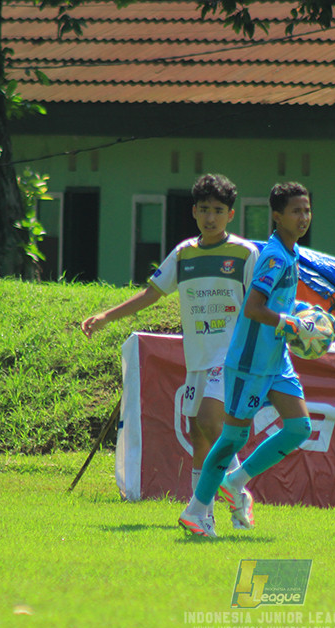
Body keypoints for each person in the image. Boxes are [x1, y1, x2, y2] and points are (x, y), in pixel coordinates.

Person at [81, 173, 258, 528]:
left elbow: (259, 303)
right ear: (194, 211)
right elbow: (151, 294)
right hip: (197, 358)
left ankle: (229, 494)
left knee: (211, 422)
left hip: (232, 356)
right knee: (198, 435)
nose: (211, 217)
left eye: (218, 210)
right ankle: (208, 515)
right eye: (204, 209)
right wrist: (107, 315)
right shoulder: (183, 254)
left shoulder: (245, 253)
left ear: (231, 215)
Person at [178, 182, 322, 537]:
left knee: (299, 428)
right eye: (295, 211)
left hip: (276, 358)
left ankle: (235, 481)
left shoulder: (292, 252)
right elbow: (254, 308)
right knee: (231, 440)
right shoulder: (273, 256)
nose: (303, 217)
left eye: (307, 210)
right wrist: (291, 322)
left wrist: (300, 318)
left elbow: (278, 305)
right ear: (277, 216)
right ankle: (196, 512)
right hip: (248, 361)